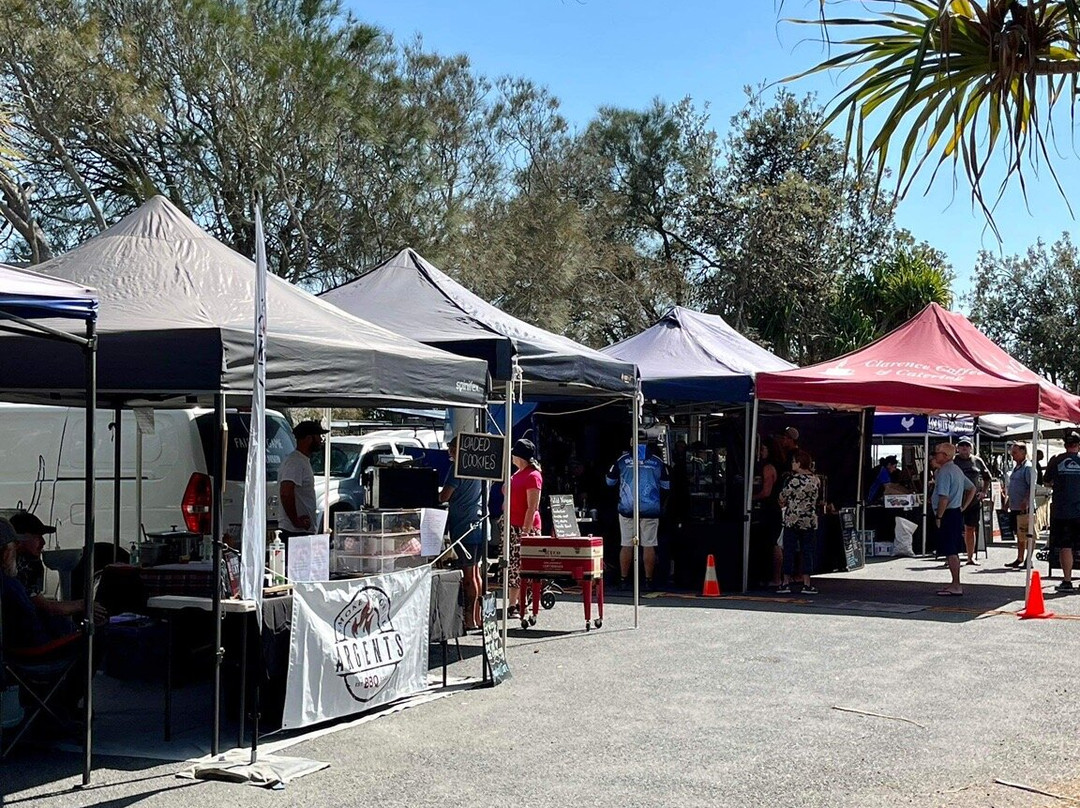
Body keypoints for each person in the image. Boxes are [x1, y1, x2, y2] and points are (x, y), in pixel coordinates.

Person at [9, 511, 105, 627]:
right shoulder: (22, 569)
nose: (43, 542)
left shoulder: (17, 569)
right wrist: (82, 604)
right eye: (37, 537)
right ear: (19, 539)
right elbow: (46, 607)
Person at [607, 440, 670, 591]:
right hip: (650, 508)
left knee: (626, 544)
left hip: (627, 508)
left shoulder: (621, 461)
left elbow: (609, 481)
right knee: (649, 544)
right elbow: (666, 486)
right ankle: (648, 581)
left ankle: (623, 580)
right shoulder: (658, 462)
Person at [441, 436, 484, 630]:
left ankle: (469, 618)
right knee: (475, 572)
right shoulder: (480, 469)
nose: (450, 452)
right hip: (479, 525)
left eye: (452, 448)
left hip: (463, 527)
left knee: (469, 575)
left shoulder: (457, 470)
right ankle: (477, 616)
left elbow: (444, 496)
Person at [930, 443, 977, 596]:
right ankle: (954, 583)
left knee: (951, 551)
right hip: (955, 512)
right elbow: (972, 488)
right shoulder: (956, 469)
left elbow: (944, 497)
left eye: (938, 452)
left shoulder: (945, 471)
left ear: (946, 456)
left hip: (948, 513)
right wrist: (962, 506)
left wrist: (939, 516)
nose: (935, 455)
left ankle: (956, 584)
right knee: (953, 550)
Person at [777, 450, 821, 594]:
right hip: (809, 519)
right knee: (807, 551)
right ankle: (807, 583)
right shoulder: (815, 480)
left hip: (793, 519)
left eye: (794, 461)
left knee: (789, 550)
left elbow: (782, 497)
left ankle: (785, 582)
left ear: (799, 463)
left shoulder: (794, 480)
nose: (792, 463)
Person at [506, 438, 542, 613]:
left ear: (518, 455)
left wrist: (526, 532)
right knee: (513, 566)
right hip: (512, 525)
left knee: (524, 566)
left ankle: (524, 603)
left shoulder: (533, 476)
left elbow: (532, 507)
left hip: (525, 527)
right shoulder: (516, 474)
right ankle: (513, 603)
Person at [278, 420, 328, 536]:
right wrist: (295, 520)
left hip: (300, 529)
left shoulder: (301, 460)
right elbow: (286, 492)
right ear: (309, 438)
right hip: (294, 531)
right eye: (318, 436)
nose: (321, 440)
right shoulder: (295, 462)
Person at [1044, 431, 1080, 592]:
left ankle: (1067, 581)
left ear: (1065, 445)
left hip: (1062, 510)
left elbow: (1046, 482)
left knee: (1065, 546)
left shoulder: (1056, 460)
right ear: (1078, 446)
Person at [751, 436, 784, 588]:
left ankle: (775, 578)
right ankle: (771, 577)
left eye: (763, 449)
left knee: (770, 543)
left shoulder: (768, 468)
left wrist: (751, 497)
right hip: (772, 509)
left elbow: (766, 492)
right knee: (770, 543)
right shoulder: (777, 465)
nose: (760, 452)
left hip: (769, 510)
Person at [953, 438, 991, 565]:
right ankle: (952, 557)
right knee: (954, 529)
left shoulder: (977, 461)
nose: (964, 447)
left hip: (973, 501)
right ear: (957, 448)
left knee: (971, 529)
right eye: (962, 445)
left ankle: (970, 557)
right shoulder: (953, 461)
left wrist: (984, 492)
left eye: (967, 445)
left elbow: (987, 478)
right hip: (955, 500)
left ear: (971, 448)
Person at [1004, 443, 1034, 569]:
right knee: (1019, 534)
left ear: (1023, 452)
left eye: (1015, 453)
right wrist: (1007, 502)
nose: (1013, 456)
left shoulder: (1028, 467)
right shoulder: (1017, 468)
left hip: (1025, 507)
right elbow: (1013, 487)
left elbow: (1031, 486)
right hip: (1015, 506)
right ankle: (1020, 558)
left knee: (1029, 534)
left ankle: (1029, 559)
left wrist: (1026, 500)